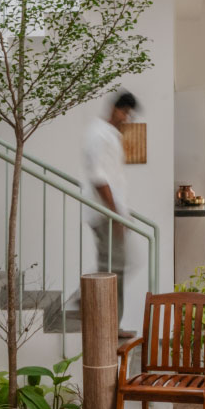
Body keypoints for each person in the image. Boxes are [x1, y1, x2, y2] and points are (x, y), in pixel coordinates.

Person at [83, 90, 138, 332]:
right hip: (105, 214)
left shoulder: (110, 135)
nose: (127, 119)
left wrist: (123, 212)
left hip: (113, 213)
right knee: (112, 271)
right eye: (126, 113)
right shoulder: (98, 134)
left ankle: (112, 326)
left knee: (118, 269)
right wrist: (115, 213)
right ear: (116, 109)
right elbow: (98, 177)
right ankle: (99, 319)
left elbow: (113, 179)